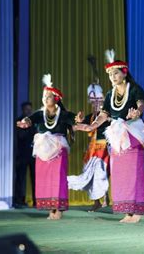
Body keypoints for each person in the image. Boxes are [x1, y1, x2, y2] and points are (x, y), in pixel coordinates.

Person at [75, 49, 144, 223]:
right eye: (110, 74)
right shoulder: (109, 95)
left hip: (132, 133)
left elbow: (141, 103)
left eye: (115, 73)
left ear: (124, 72)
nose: (113, 76)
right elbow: (104, 114)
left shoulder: (135, 89)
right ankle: (127, 210)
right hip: (116, 135)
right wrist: (92, 125)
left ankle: (136, 211)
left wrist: (137, 112)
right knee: (120, 173)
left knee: (134, 172)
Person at [16, 74, 76, 220]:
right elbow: (29, 119)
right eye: (44, 96)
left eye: (48, 96)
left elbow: (73, 119)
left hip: (58, 148)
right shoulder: (39, 114)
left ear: (56, 99)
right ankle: (50, 209)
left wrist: (78, 120)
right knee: (45, 179)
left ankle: (58, 209)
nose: (44, 98)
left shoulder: (63, 114)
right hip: (43, 149)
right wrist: (25, 122)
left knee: (58, 179)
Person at [68, 83, 111, 212]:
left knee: (100, 175)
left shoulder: (108, 115)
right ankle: (97, 201)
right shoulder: (91, 116)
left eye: (98, 100)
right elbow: (79, 124)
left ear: (103, 99)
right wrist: (78, 121)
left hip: (106, 150)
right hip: (92, 151)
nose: (96, 103)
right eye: (93, 101)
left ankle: (105, 197)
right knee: (91, 176)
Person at [14, 102, 36, 207]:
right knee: (21, 178)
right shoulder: (18, 121)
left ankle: (36, 201)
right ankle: (20, 200)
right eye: (26, 109)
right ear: (22, 110)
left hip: (34, 154)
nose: (28, 111)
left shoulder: (34, 121)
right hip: (22, 154)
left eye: (30, 109)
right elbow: (20, 136)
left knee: (35, 178)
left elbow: (37, 134)